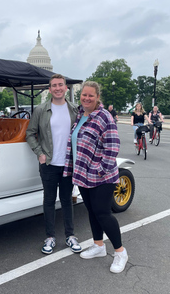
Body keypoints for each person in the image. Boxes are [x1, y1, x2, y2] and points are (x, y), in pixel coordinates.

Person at [62, 81, 128, 273]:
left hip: (102, 177)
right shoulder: (80, 116)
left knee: (103, 213)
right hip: (83, 174)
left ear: (97, 97)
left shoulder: (104, 117)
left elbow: (113, 146)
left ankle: (120, 252)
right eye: (84, 95)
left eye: (91, 95)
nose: (87, 98)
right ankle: (99, 246)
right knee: (91, 211)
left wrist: (100, 170)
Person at [26, 74, 82, 255]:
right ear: (49, 89)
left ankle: (70, 235)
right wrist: (40, 154)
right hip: (49, 163)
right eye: (54, 86)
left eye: (60, 85)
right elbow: (30, 133)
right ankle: (50, 237)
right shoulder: (41, 110)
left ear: (66, 87)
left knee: (67, 200)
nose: (57, 88)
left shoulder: (75, 109)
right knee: (49, 200)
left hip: (68, 164)